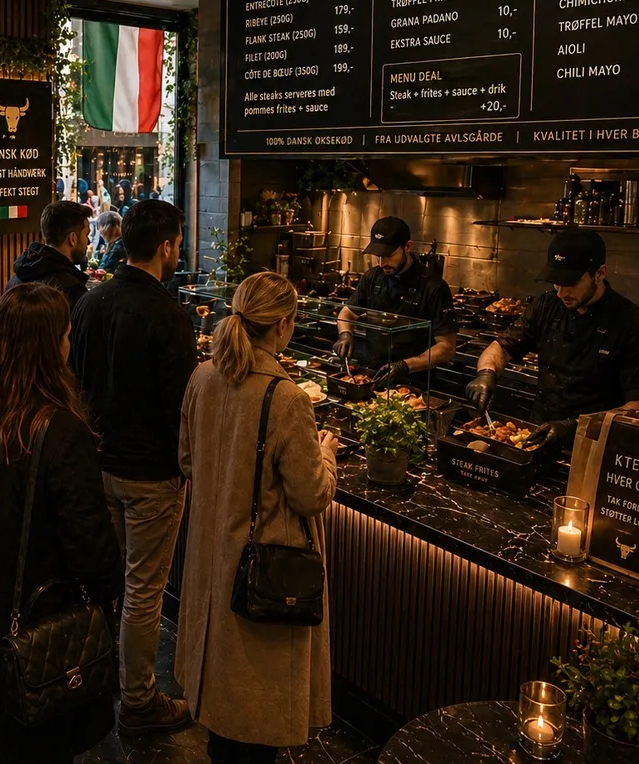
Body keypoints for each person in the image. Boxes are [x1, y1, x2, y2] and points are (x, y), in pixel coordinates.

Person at [0, 283, 123, 764]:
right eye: (66, 335)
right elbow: (92, 551)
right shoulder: (61, 431)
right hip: (35, 636)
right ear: (52, 346)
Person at [177, 272, 338, 763]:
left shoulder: (202, 376)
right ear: (284, 325)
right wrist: (327, 455)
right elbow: (311, 495)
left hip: (209, 561)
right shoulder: (287, 397)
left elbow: (186, 461)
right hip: (261, 574)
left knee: (220, 718)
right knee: (253, 724)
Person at [70, 199, 197, 736]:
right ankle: (139, 701)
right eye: (178, 244)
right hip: (150, 476)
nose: (178, 253)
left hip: (99, 464)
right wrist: (188, 465)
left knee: (109, 583)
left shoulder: (91, 302)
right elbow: (180, 408)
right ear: (165, 246)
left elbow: (76, 381)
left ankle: (100, 680)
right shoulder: (169, 316)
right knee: (144, 593)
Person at [466, 229, 639, 451]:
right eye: (556, 283)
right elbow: (502, 347)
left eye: (572, 282)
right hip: (538, 438)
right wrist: (486, 374)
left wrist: (576, 427)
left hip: (596, 446)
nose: (561, 293)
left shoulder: (633, 325)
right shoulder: (547, 306)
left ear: (600, 273)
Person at [333, 216, 457, 386]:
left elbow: (447, 347)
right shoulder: (372, 277)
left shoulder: (434, 287)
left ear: (408, 247)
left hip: (413, 382)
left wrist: (404, 366)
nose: (382, 263)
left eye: (389, 255)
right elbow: (347, 313)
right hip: (371, 375)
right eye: (378, 256)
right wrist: (345, 334)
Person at [6, 200, 91, 310]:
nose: (88, 242)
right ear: (73, 239)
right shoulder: (71, 290)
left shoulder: (16, 278)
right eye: (86, 235)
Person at [95, 210, 125, 275]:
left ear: (106, 227)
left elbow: (106, 268)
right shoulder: (115, 242)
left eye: (99, 226)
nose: (98, 230)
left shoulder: (118, 245)